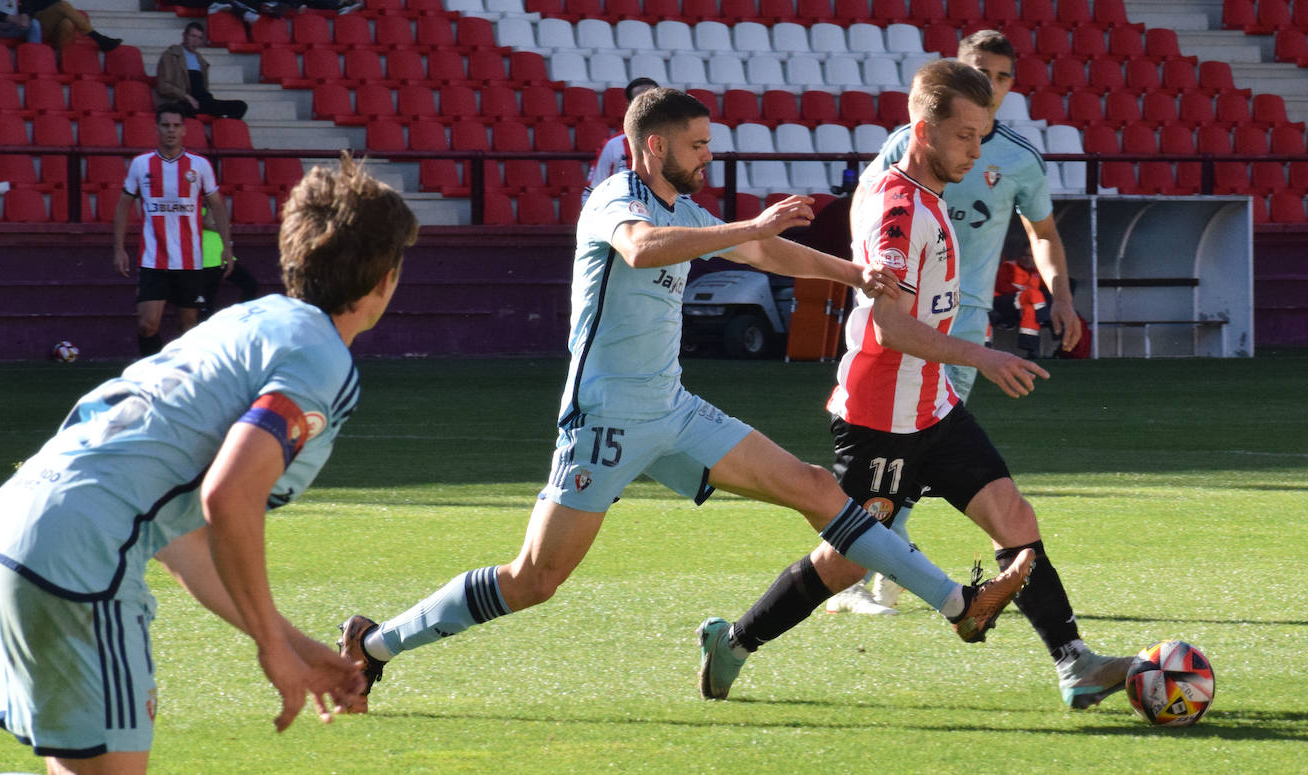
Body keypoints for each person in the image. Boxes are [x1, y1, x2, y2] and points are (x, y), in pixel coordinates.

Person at [334, 87, 1034, 712]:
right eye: (698, 145)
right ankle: (375, 647)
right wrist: (750, 228)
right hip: (604, 420)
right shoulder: (617, 200)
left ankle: (958, 603)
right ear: (656, 146)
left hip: (671, 410)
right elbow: (642, 250)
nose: (707, 157)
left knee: (817, 488)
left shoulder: (684, 207)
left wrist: (855, 274)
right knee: (534, 579)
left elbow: (767, 255)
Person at [698, 60, 1133, 710]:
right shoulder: (898, 210)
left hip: (932, 406)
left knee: (1014, 515)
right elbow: (890, 326)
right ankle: (734, 642)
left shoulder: (926, 195)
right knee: (843, 561)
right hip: (879, 420)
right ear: (922, 128)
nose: (975, 150)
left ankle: (1074, 663)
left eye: (982, 135)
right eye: (964, 135)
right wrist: (980, 355)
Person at [0, 152, 419, 775]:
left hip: (22, 523)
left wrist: (293, 643)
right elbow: (228, 496)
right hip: (84, 551)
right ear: (384, 281)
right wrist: (271, 649)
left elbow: (180, 541)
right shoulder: (321, 359)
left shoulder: (245, 321)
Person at [826, 29, 1083, 617]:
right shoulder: (911, 146)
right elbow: (871, 209)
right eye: (981, 74)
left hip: (963, 322)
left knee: (929, 443)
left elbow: (1043, 233)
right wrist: (875, 284)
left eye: (1002, 77)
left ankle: (883, 571)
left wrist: (1060, 297)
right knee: (911, 445)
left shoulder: (1020, 157)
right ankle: (873, 570)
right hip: (901, 315)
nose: (992, 88)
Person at [113, 102, 234, 356]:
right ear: (156, 128)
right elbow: (124, 205)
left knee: (188, 328)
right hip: (153, 260)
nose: (171, 130)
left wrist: (226, 246)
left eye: (176, 126)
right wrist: (119, 248)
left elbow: (218, 207)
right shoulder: (141, 164)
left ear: (184, 130)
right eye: (166, 125)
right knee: (147, 325)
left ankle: (184, 383)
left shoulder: (199, 166)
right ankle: (149, 378)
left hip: (189, 261)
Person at [581, 76, 659, 204]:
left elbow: (683, 195)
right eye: (641, 100)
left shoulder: (676, 142)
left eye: (654, 100)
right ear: (630, 106)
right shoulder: (614, 144)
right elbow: (591, 192)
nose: (649, 105)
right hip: (627, 218)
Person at [155, 23, 248, 120]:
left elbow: (203, 88)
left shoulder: (200, 60)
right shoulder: (170, 55)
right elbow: (163, 86)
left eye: (199, 38)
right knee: (182, 111)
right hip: (181, 101)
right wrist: (187, 97)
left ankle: (223, 132)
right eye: (193, 36)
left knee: (240, 106)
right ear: (184, 35)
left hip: (203, 101)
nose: (195, 41)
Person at [991, 238, 1050, 358]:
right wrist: (1024, 292)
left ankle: (1030, 348)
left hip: (1021, 308)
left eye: (1031, 256)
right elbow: (1001, 287)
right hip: (1002, 304)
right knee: (1033, 295)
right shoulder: (1009, 267)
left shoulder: (1037, 272)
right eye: (1024, 255)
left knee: (1030, 310)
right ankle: (1046, 318)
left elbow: (1048, 290)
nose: (1027, 258)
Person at [202, 204, 260, 312]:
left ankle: (240, 317)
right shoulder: (194, 203)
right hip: (207, 259)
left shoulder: (214, 204)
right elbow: (208, 223)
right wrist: (223, 227)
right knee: (207, 304)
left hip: (220, 255)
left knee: (251, 285)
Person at [27, 0, 120, 50]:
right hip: (37, 25)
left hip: (54, 28)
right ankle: (97, 37)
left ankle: (63, 61)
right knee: (63, 4)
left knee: (68, 23)